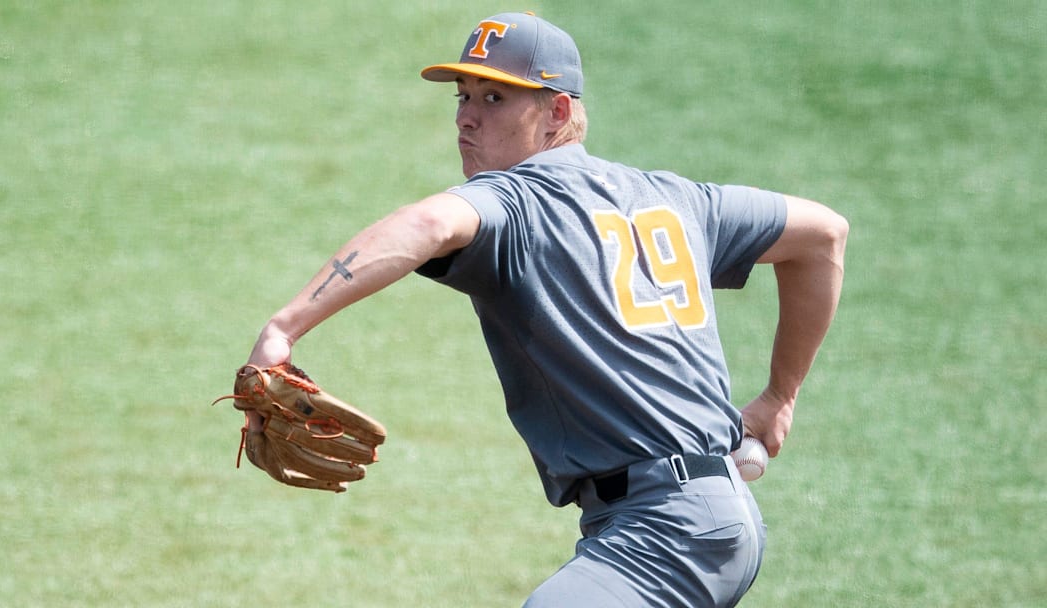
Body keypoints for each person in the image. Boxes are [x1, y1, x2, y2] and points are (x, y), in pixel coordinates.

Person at [241, 12, 848, 607]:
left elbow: (427, 224)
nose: (467, 117)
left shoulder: (516, 201)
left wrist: (283, 328)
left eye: (495, 99)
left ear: (557, 112)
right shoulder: (677, 197)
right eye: (462, 96)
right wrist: (780, 398)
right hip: (703, 518)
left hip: (668, 532)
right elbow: (823, 235)